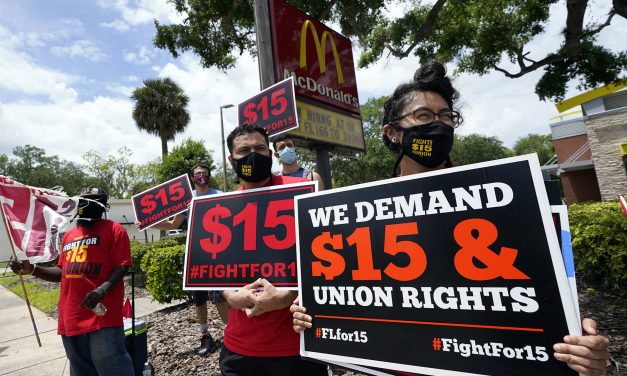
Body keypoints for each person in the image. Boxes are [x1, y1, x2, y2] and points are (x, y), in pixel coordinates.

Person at [291, 61, 611, 376]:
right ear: (392, 133)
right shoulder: (356, 216)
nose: (439, 126)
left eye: (447, 117)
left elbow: (549, 290)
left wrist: (579, 344)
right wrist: (312, 316)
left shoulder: (509, 199)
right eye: (424, 117)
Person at [218, 124, 327, 376]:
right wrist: (229, 296)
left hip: (297, 348)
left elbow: (327, 258)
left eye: (258, 148)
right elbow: (214, 268)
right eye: (243, 150)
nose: (252, 155)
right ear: (231, 159)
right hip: (238, 351)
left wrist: (287, 297)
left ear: (269, 153)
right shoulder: (222, 207)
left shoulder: (301, 191)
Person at [11, 187, 134, 376]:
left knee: (112, 367)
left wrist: (101, 291)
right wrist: (33, 270)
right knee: (81, 370)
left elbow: (122, 266)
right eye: (83, 200)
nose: (86, 205)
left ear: (102, 205)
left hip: (102, 315)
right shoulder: (69, 234)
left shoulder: (114, 229)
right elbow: (62, 271)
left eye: (93, 200)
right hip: (71, 316)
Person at [149, 163, 228, 355]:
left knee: (220, 296)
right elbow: (172, 224)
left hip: (218, 252)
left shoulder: (220, 195)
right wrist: (149, 224)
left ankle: (231, 334)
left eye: (204, 173)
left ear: (209, 175)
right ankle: (205, 335)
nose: (201, 175)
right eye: (197, 174)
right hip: (195, 253)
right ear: (192, 178)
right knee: (199, 299)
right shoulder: (187, 199)